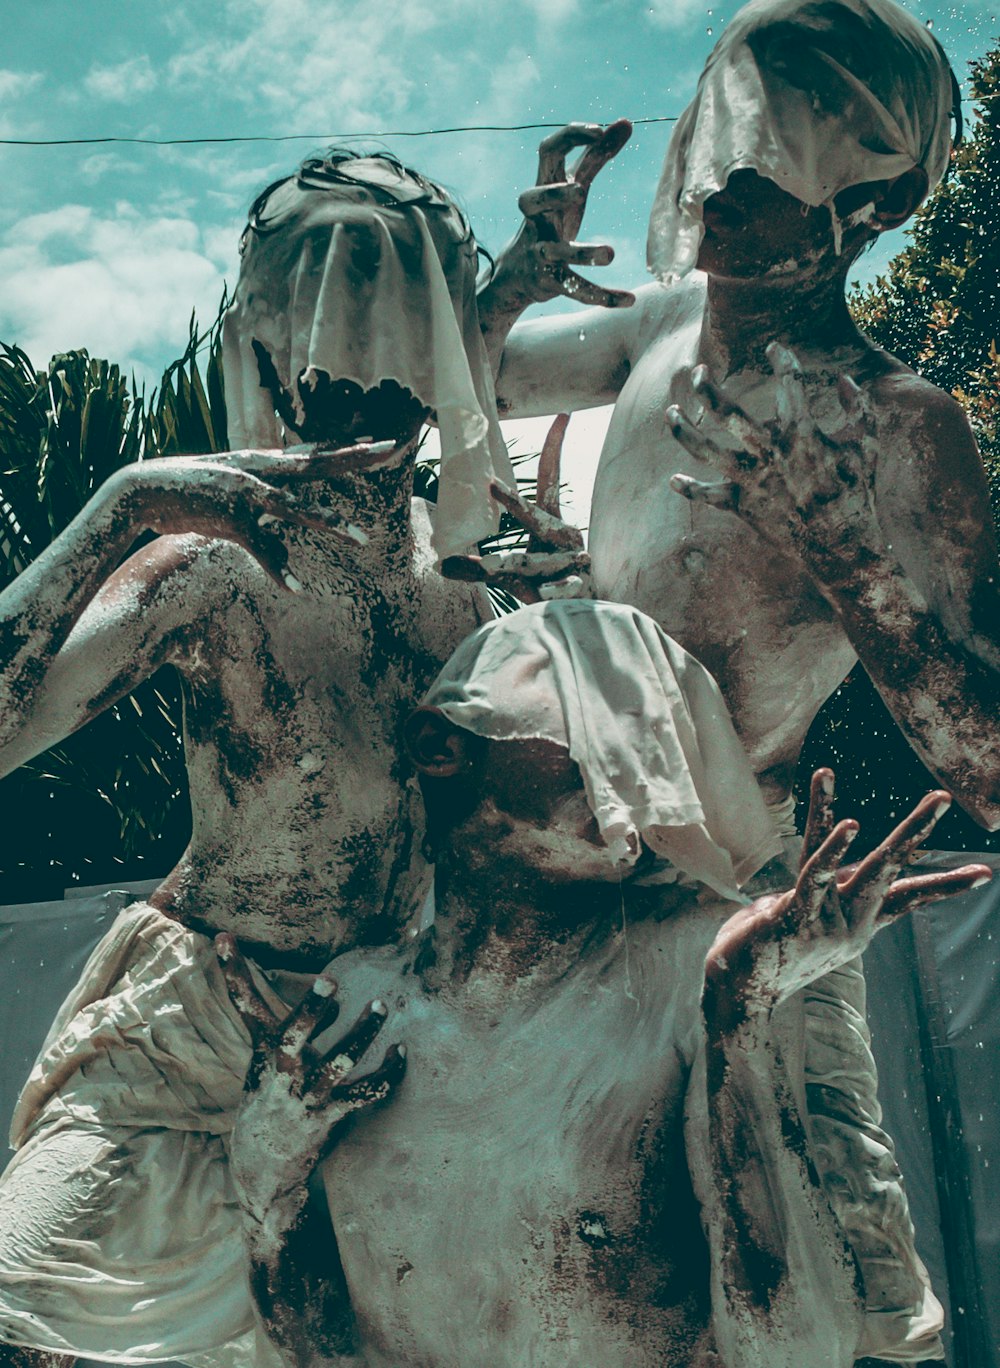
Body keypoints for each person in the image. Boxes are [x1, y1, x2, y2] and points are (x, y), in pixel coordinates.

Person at [473, 3, 997, 1359]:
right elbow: (446, 388)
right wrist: (511, 275)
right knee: (567, 1288)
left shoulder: (899, 424)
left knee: (862, 1303)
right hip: (568, 887)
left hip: (756, 907)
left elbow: (990, 770)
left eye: (758, 174)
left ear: (870, 206)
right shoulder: (655, 327)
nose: (710, 191)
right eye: (716, 151)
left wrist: (851, 565)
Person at [0, 152, 533, 1367]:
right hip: (186, 1046)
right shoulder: (208, 560)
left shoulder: (478, 590)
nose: (349, 379)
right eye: (320, 339)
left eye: (390, 334)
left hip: (386, 1053)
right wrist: (124, 505)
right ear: (269, 345)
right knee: (22, 1308)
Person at [215, 600, 990, 1368]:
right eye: (601, 719)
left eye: (664, 739)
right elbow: (317, 1356)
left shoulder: (696, 969)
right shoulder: (355, 1004)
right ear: (438, 745)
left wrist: (738, 1017)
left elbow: (794, 1355)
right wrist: (266, 1177)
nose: (640, 768)